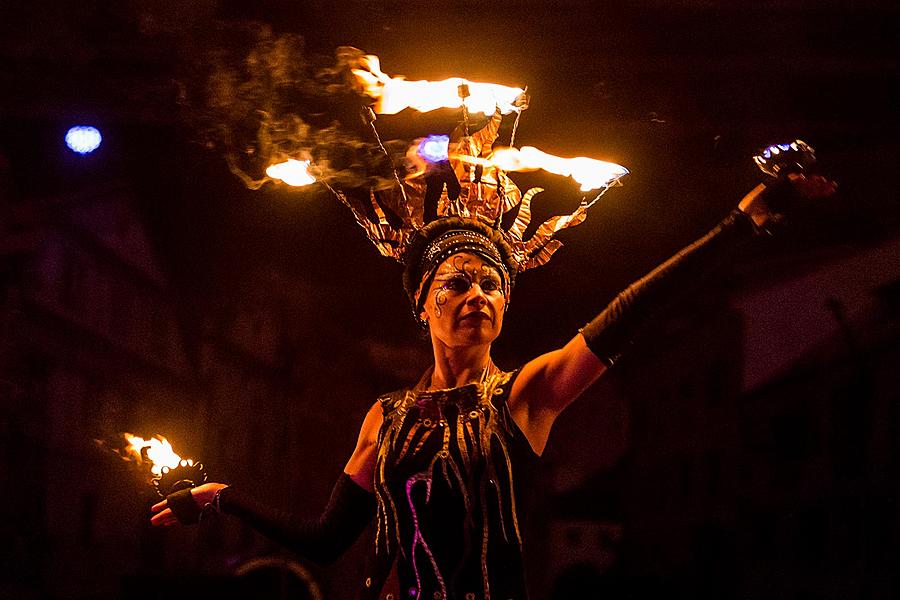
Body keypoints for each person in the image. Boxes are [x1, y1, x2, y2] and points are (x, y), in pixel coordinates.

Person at [150, 126, 835, 598]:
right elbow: (328, 541)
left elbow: (631, 311)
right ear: (423, 305)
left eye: (491, 284)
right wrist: (223, 500)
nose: (477, 294)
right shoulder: (383, 420)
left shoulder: (526, 396)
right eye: (457, 281)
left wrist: (741, 223)